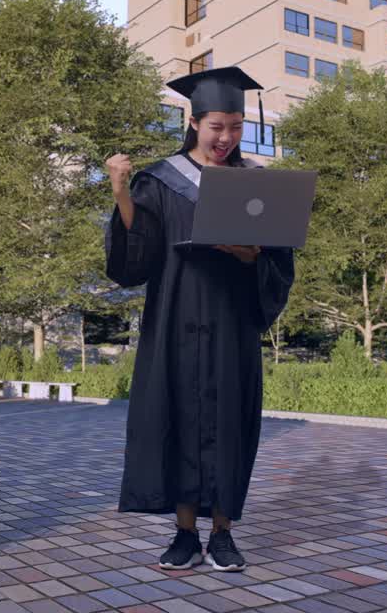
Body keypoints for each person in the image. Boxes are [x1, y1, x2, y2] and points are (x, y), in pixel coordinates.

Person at [103, 66, 296, 572]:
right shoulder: (161, 180)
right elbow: (136, 258)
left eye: (235, 126)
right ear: (194, 122)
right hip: (176, 321)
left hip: (233, 325)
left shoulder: (257, 183)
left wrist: (249, 255)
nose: (226, 138)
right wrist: (122, 192)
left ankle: (224, 533)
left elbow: (278, 265)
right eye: (216, 127)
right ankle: (185, 533)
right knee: (180, 419)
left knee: (231, 423)